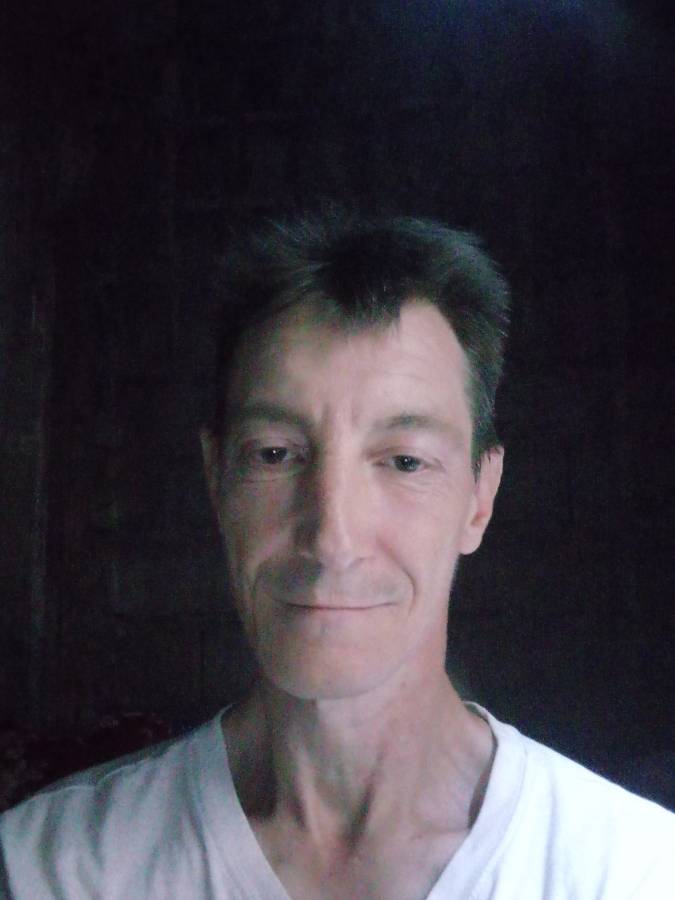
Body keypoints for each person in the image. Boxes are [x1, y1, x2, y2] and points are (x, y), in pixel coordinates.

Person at [1, 211, 673, 899]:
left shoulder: (632, 873)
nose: (332, 537)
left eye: (405, 461)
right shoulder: (54, 870)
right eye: (274, 454)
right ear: (216, 479)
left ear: (480, 496)